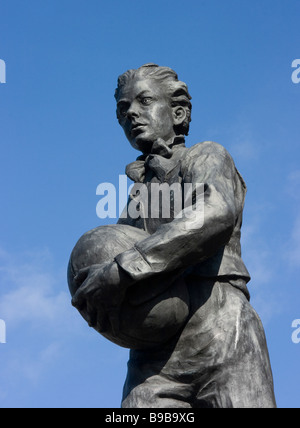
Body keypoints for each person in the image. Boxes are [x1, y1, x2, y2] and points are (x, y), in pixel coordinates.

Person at [71, 64, 277, 408]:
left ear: (178, 112)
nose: (131, 114)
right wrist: (105, 305)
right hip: (154, 356)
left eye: (144, 101)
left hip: (221, 330)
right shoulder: (136, 198)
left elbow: (215, 213)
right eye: (123, 110)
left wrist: (122, 270)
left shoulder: (207, 155)